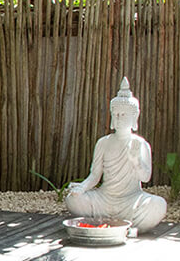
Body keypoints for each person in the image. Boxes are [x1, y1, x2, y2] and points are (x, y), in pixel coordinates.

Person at [65, 77, 166, 234]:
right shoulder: (103, 143)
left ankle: (133, 227)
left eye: (124, 115)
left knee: (158, 205)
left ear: (135, 116)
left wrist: (135, 161)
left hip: (131, 200)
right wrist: (82, 187)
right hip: (104, 199)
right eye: (116, 114)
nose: (119, 118)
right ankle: (115, 222)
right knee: (73, 199)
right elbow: (95, 175)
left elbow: (146, 177)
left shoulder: (140, 144)